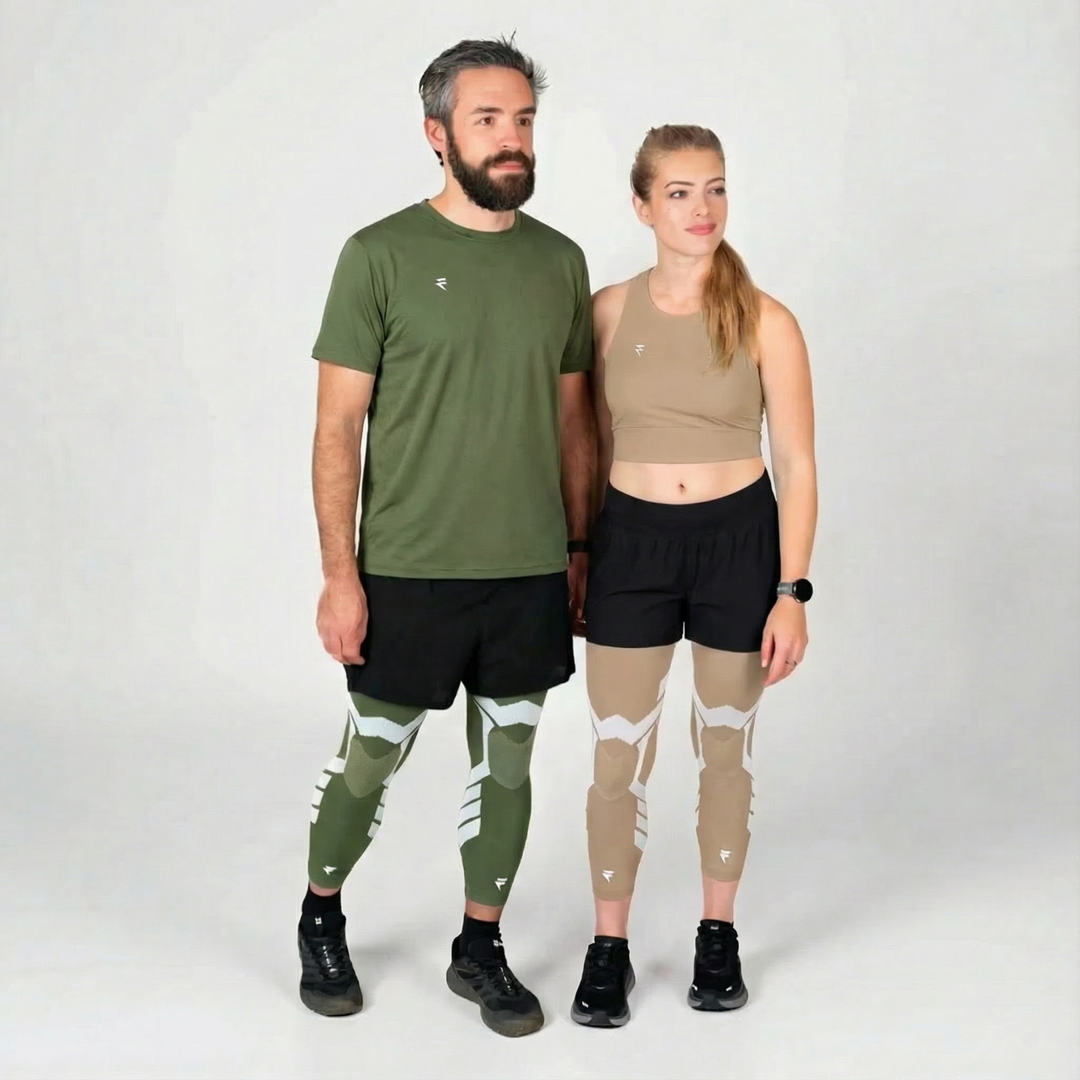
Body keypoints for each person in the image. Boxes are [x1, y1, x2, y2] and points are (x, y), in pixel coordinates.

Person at [297, 37, 594, 1039]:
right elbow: (337, 428)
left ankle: (480, 946)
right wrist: (340, 576)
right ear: (438, 134)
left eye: (523, 120)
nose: (512, 139)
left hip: (527, 571)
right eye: (487, 119)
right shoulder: (377, 255)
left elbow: (575, 425)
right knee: (371, 758)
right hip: (407, 569)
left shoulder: (559, 262)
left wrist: (580, 550)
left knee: (507, 765)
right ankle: (321, 917)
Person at [570, 125, 817, 1027]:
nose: (701, 208)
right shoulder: (605, 312)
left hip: (738, 544)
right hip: (631, 543)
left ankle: (719, 934)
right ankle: (610, 946)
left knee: (724, 747)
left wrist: (791, 592)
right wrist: (580, 551)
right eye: (679, 192)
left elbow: (797, 462)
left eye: (714, 188)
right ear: (642, 206)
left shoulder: (766, 319)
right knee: (615, 755)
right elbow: (586, 442)